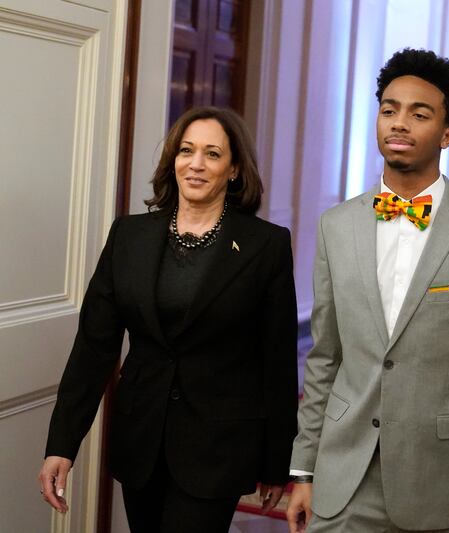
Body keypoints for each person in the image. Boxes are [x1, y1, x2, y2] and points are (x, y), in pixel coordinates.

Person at [286, 48, 449, 533]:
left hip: (436, 484)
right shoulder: (336, 225)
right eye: (389, 110)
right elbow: (325, 357)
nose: (399, 123)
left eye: (419, 114)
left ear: (448, 135)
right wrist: (304, 469)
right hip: (341, 479)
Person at [38, 106, 299, 532]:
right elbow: (92, 348)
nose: (195, 164)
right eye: (186, 150)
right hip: (141, 440)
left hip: (219, 445)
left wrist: (276, 463)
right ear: (172, 160)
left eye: (212, 154)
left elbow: (277, 362)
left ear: (234, 169)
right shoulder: (128, 236)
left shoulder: (264, 246)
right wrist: (62, 445)